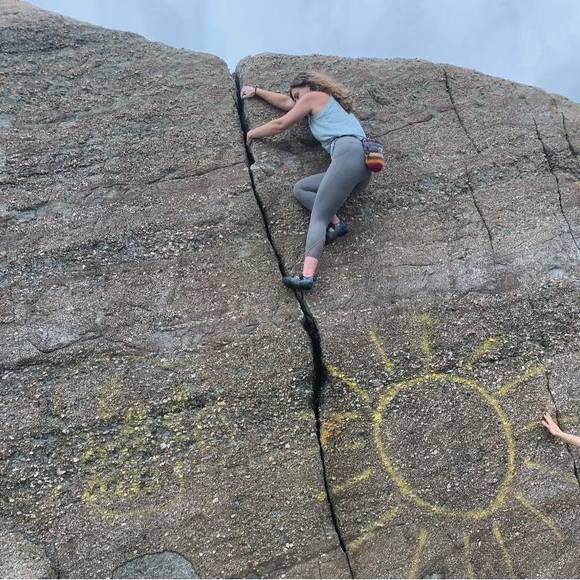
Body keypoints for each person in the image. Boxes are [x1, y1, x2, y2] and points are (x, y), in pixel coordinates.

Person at [240, 72, 372, 290]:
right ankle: (337, 224)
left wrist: (253, 133)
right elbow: (286, 103)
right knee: (301, 189)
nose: (297, 100)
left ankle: (307, 276)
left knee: (318, 217)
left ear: (311, 86)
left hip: (348, 155)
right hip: (362, 168)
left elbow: (281, 123)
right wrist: (257, 91)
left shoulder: (315, 97)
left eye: (298, 95)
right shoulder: (329, 105)